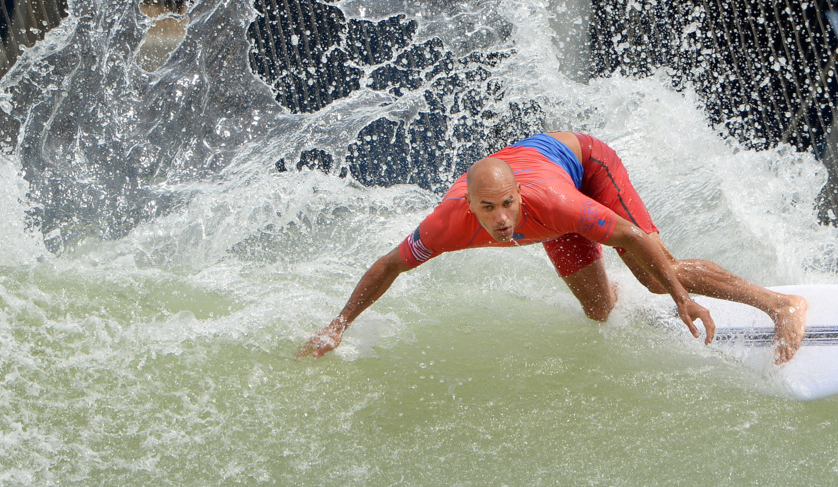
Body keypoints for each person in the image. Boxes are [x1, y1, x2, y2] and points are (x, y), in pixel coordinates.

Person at [298, 132, 807, 363]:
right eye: (487, 209)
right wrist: (339, 324)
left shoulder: (557, 203)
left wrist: (680, 298)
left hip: (586, 167)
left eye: (507, 205)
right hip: (551, 209)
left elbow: (632, 237)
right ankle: (636, 294)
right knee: (599, 310)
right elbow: (389, 265)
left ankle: (780, 304)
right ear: (469, 208)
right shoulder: (444, 227)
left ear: (519, 195)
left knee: (654, 274)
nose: (501, 220)